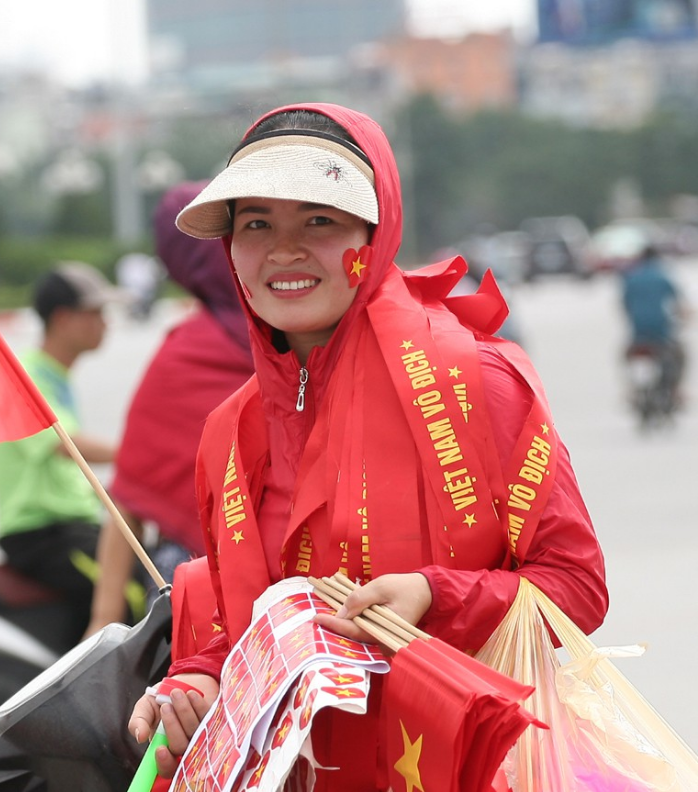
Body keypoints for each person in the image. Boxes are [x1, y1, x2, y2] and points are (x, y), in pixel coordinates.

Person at [128, 103, 608, 791]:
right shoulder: (228, 434)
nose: (284, 250)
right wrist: (196, 682)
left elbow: (577, 589)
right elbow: (243, 626)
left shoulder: (477, 384)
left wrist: (431, 596)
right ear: (229, 248)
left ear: (374, 236)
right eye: (256, 223)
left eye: (319, 220)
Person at [87, 181, 255, 635]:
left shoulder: (186, 352)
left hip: (198, 595)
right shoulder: (308, 325)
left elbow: (130, 495)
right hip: (319, 587)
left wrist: (102, 621)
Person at [0, 262, 118, 630]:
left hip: (70, 528)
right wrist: (138, 455)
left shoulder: (53, 375)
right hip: (44, 534)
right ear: (63, 318)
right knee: (127, 593)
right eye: (96, 313)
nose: (105, 324)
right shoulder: (25, 375)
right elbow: (64, 445)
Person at [621, 243, 688, 406]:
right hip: (661, 330)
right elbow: (678, 303)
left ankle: (633, 390)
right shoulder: (662, 276)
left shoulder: (631, 277)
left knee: (626, 355)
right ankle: (675, 390)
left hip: (639, 331)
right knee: (680, 355)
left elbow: (625, 304)